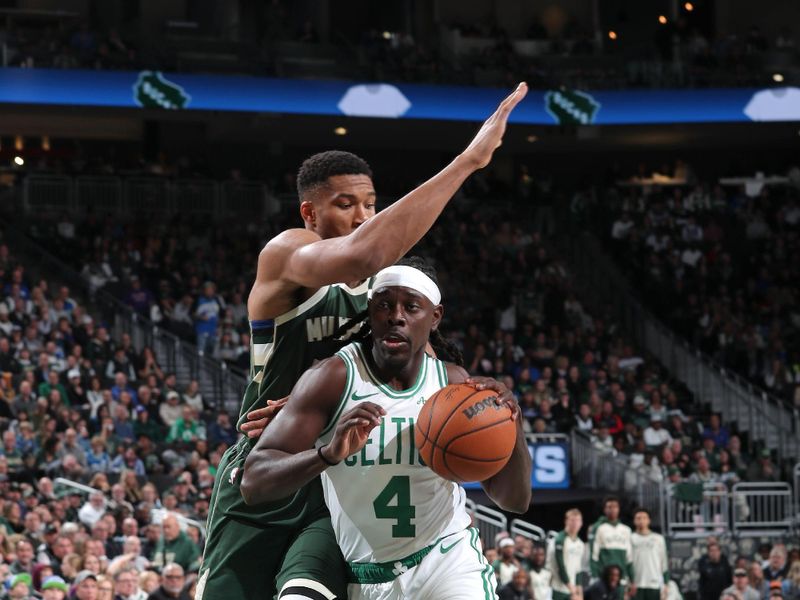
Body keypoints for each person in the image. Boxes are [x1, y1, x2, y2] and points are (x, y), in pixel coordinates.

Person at [199, 82, 529, 600]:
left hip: (343, 481)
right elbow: (359, 256)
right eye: (345, 204)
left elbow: (425, 365)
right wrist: (468, 161)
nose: (362, 217)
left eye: (371, 205)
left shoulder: (384, 297)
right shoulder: (288, 253)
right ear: (309, 214)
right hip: (268, 469)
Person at [240, 259, 532, 599]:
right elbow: (253, 483)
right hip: (366, 579)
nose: (396, 316)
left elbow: (515, 500)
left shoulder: (452, 386)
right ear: (370, 312)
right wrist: (326, 455)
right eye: (384, 305)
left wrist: (513, 421)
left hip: (446, 561)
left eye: (411, 306)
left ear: (434, 317)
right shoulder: (333, 379)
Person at [589, 497, 633, 582]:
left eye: (615, 507)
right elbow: (593, 554)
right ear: (604, 509)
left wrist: (631, 578)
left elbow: (629, 557)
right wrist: (595, 576)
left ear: (619, 509)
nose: (612, 509)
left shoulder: (626, 530)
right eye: (609, 507)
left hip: (621, 577)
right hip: (603, 577)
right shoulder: (598, 528)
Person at [630, 508, 668, 600]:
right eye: (638, 518)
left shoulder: (658, 539)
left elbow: (664, 562)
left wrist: (666, 583)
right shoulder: (630, 538)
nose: (641, 521)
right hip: (636, 584)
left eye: (644, 518)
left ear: (649, 520)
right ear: (634, 521)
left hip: (654, 583)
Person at [548, 508, 585, 600]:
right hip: (557, 587)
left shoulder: (580, 543)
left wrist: (579, 590)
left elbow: (578, 568)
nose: (575, 523)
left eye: (578, 520)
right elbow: (560, 566)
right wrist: (571, 588)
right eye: (572, 520)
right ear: (566, 521)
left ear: (581, 523)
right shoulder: (559, 540)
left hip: (571, 589)